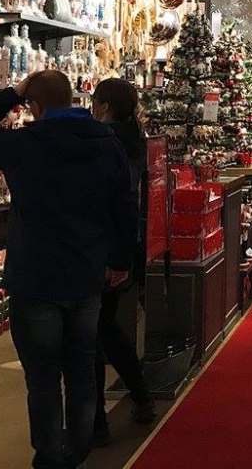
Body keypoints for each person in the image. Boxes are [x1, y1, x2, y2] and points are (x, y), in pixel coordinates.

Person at [0, 71, 138, 469]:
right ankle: (79, 452)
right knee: (82, 368)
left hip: (35, 275)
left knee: (42, 375)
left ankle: (51, 457)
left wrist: (11, 93)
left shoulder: (23, 144)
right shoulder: (107, 143)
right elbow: (124, 207)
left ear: (33, 107)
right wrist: (121, 261)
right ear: (74, 99)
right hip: (86, 273)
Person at [89, 78, 156, 446]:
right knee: (105, 326)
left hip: (101, 247)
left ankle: (96, 421)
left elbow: (114, 198)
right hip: (123, 246)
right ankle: (141, 395)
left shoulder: (104, 140)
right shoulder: (136, 139)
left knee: (93, 334)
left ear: (104, 104)